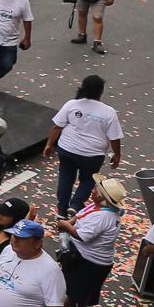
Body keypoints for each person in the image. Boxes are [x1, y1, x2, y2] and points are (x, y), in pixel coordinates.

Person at [42, 75, 125, 216]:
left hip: (67, 149)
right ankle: (76, 204)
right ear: (101, 91)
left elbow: (56, 127)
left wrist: (49, 145)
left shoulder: (72, 105)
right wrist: (117, 155)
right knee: (87, 180)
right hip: (92, 155)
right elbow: (114, 138)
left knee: (66, 178)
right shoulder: (108, 112)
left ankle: (62, 209)